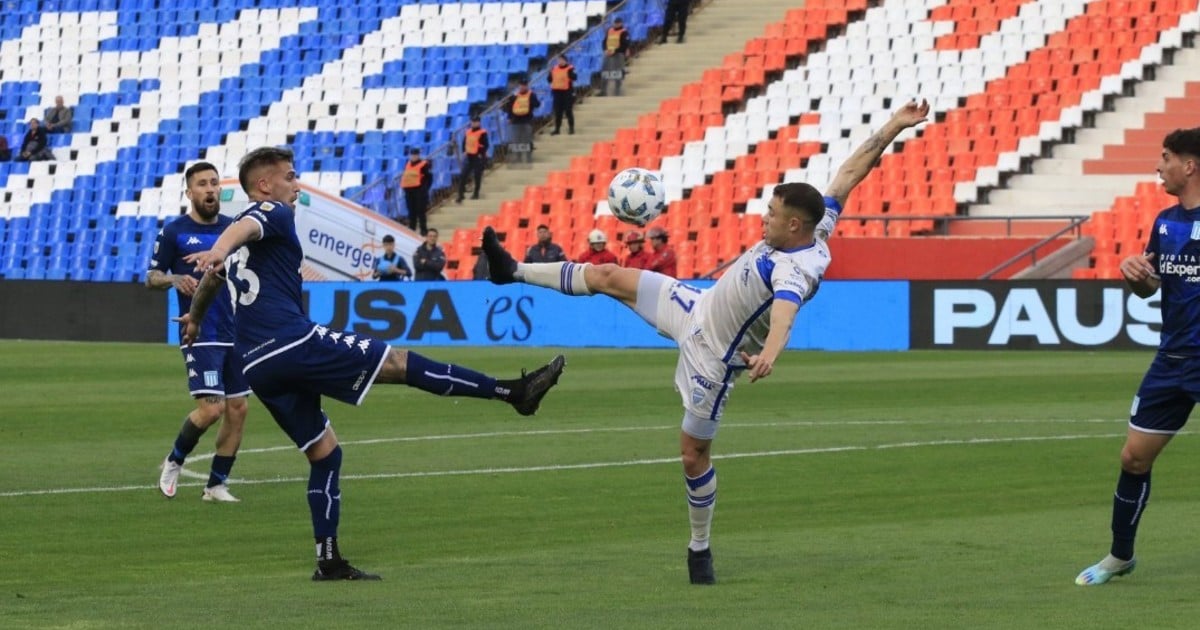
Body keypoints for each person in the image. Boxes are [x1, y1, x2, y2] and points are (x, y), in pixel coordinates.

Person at [479, 101, 930, 585]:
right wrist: (894, 125)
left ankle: (699, 549)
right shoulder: (814, 227)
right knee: (608, 275)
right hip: (694, 304)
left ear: (793, 226)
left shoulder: (795, 269)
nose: (764, 218)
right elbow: (850, 173)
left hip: (711, 360)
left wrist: (770, 355)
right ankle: (512, 271)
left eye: (772, 214)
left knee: (693, 454)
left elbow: (785, 313)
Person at [181, 147, 566, 581]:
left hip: (257, 365)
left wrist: (195, 317)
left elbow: (212, 278)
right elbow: (244, 230)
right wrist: (219, 247)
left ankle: (329, 561)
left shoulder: (243, 234)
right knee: (399, 363)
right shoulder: (271, 212)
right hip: (292, 343)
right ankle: (513, 392)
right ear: (265, 185)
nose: (296, 185)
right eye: (289, 177)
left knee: (325, 454)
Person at [1075, 127, 1200, 586]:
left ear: (1189, 165)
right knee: (1133, 458)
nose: (1158, 166)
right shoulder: (1166, 222)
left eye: (1166, 157)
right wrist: (1136, 275)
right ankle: (1120, 556)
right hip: (1172, 360)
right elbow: (1150, 288)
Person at [146, 161, 249, 503]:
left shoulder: (233, 229)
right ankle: (175, 460)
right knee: (211, 409)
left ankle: (215, 485)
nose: (210, 189)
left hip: (235, 331)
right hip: (200, 330)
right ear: (189, 193)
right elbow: (151, 278)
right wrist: (174, 278)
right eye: (202, 184)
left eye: (214, 183)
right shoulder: (174, 232)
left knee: (238, 409)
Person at [507, 78, 539, 164]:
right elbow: (510, 107)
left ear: (527, 86)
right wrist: (509, 118)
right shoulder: (514, 96)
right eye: (521, 85)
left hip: (527, 118)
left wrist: (532, 101)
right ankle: (518, 157)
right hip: (516, 119)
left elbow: (537, 104)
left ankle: (528, 156)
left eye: (524, 85)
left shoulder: (531, 95)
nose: (522, 87)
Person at [400, 148, 431, 235]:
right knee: (411, 211)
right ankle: (412, 228)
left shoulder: (423, 164)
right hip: (409, 191)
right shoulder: (408, 164)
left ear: (418, 155)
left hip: (419, 191)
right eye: (412, 155)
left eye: (415, 155)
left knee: (421, 211)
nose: (413, 156)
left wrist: (424, 189)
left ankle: (423, 229)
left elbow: (428, 178)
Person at [457, 116, 489, 202]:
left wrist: (480, 153)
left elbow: (486, 145)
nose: (474, 123)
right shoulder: (468, 132)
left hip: (477, 157)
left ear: (479, 123)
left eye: (476, 122)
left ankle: (476, 193)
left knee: (477, 176)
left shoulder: (482, 133)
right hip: (469, 156)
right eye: (473, 122)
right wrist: (464, 151)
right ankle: (460, 194)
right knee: (463, 175)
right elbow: (464, 142)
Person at [599, 17, 631, 97]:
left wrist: (615, 51)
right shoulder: (610, 30)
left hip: (618, 54)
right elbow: (604, 41)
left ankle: (617, 90)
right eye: (615, 23)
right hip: (608, 53)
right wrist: (605, 49)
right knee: (605, 72)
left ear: (621, 23)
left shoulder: (624, 32)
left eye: (618, 23)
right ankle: (603, 91)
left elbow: (625, 45)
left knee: (617, 72)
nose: (616, 24)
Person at [548, 55, 577, 136]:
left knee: (568, 111)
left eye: (561, 60)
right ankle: (557, 129)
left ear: (565, 61)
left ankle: (571, 128)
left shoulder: (570, 69)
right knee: (558, 112)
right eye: (559, 60)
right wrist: (550, 73)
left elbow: (575, 77)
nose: (560, 61)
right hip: (557, 93)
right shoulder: (554, 69)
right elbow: (549, 80)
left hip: (567, 92)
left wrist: (571, 74)